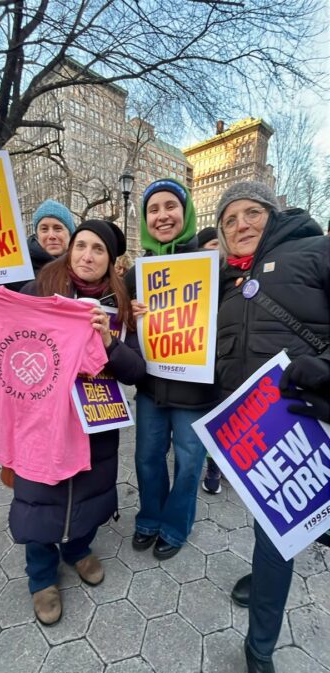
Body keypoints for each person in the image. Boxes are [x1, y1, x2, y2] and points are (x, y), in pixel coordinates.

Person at [0, 219, 145, 626]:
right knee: (39, 495)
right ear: (70, 250)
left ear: (112, 260)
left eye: (98, 249)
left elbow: (136, 371)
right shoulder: (38, 290)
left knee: (90, 489)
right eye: (81, 246)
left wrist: (109, 342)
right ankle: (41, 576)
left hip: (95, 421)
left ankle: (77, 549)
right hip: (39, 420)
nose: (87, 256)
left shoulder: (121, 305)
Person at [215, 180, 329, 673]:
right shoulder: (224, 284)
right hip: (248, 437)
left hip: (309, 424)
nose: (241, 224)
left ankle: (259, 652)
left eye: (252, 212)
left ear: (273, 214)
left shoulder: (316, 251)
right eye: (230, 218)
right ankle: (264, 580)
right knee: (271, 530)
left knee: (283, 535)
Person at [125, 178, 221, 560]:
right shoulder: (137, 273)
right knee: (147, 458)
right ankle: (149, 518)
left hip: (195, 393)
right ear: (145, 219)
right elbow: (118, 328)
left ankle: (175, 527)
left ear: (186, 212)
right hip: (151, 388)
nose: (162, 216)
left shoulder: (212, 266)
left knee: (188, 464)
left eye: (170, 206)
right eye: (153, 209)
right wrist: (131, 317)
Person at [197, 226, 223, 494]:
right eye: (210, 246)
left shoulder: (235, 280)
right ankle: (213, 466)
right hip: (200, 370)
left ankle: (216, 466)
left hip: (226, 367)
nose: (216, 251)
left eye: (219, 244)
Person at [8, 198, 76, 291]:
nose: (51, 236)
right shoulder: (18, 271)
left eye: (58, 228)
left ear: (70, 234)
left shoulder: (82, 267)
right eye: (44, 229)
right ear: (37, 235)